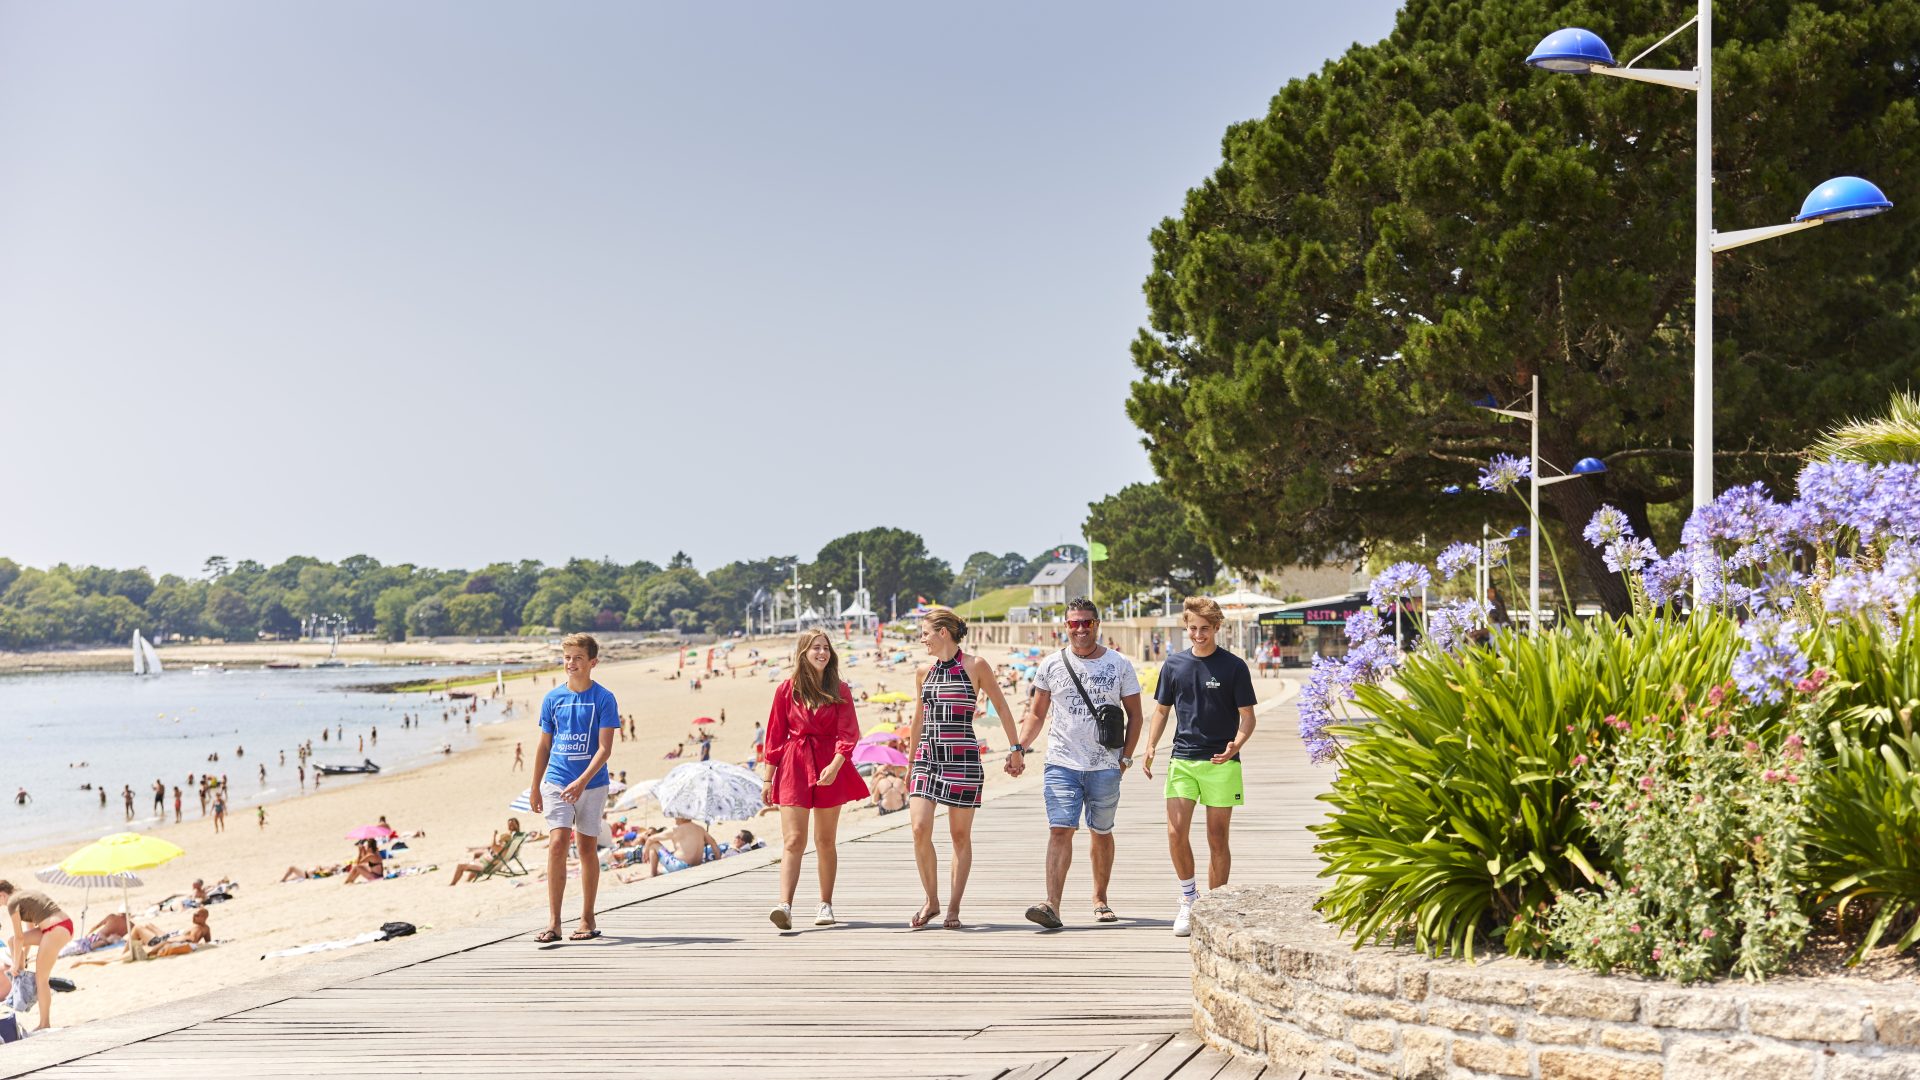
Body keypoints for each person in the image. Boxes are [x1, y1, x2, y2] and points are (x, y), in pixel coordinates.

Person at [1015, 598, 1144, 929]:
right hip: (1062, 761)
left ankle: (1100, 899)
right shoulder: (1051, 665)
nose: (1081, 629)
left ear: (1098, 624)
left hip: (1105, 765)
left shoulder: (1119, 664)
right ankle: (1052, 905)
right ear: (1065, 627)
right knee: (1060, 829)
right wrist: (1019, 747)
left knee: (1101, 832)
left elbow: (1136, 716)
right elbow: (1037, 714)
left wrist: (1126, 758)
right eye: (1074, 623)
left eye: (1087, 622)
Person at [1142, 596, 1258, 937]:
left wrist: (1236, 744)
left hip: (1221, 763)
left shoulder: (1234, 667)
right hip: (1183, 759)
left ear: (1217, 628)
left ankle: (1216, 906)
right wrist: (1149, 745)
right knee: (1176, 832)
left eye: (1205, 629)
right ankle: (1189, 899)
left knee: (1217, 837)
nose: (1198, 635)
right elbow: (1162, 710)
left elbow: (1248, 717)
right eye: (1192, 629)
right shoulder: (1174, 665)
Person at [905, 607, 1022, 930]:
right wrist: (911, 761)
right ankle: (932, 900)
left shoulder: (975, 666)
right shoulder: (922, 671)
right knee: (919, 827)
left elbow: (1000, 706)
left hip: (963, 760)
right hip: (928, 759)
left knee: (959, 836)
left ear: (943, 633)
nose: (922, 639)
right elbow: (918, 719)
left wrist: (1016, 749)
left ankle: (953, 907)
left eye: (926, 632)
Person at [761, 629, 870, 930]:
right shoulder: (786, 689)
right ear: (803, 653)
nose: (822, 653)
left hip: (829, 762)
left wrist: (836, 765)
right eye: (815, 648)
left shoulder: (841, 689)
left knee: (824, 840)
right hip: (793, 764)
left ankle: (825, 903)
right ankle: (785, 906)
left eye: (825, 648)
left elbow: (849, 734)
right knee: (794, 840)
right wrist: (768, 779)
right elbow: (774, 735)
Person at [529, 633, 620, 944]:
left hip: (592, 784)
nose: (571, 663)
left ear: (592, 662)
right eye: (567, 657)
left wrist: (581, 782)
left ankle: (587, 917)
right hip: (556, 780)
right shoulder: (552, 699)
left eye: (578, 657)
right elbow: (544, 746)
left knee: (585, 849)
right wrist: (535, 787)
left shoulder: (604, 699)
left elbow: (605, 749)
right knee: (556, 844)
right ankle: (553, 922)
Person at [1, 880, 73, 1030]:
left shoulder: (12, 903)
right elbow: (24, 937)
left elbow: (20, 937)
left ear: (2, 895)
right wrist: (23, 960)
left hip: (56, 928)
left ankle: (44, 1023)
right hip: (61, 926)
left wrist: (14, 965)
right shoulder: (23, 896)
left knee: (41, 979)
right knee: (11, 941)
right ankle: (20, 974)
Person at [449, 818, 523, 885]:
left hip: (486, 865)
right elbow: (496, 847)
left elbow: (494, 846)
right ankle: (468, 879)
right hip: (489, 860)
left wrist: (494, 836)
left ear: (517, 825)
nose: (510, 826)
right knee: (477, 855)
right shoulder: (512, 840)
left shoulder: (510, 842)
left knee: (461, 866)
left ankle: (453, 884)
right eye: (509, 825)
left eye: (512, 824)